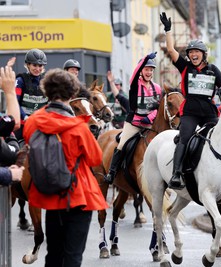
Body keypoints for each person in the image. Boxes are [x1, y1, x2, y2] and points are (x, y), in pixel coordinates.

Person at [23, 68, 108, 267]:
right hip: (78, 196)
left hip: (51, 196)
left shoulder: (34, 122)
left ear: (47, 93)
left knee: (53, 254)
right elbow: (96, 158)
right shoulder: (78, 127)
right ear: (72, 95)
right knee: (73, 256)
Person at [161, 12, 221, 190]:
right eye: (190, 53)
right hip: (190, 112)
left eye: (196, 52)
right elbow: (171, 50)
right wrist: (168, 30)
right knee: (184, 138)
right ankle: (176, 174)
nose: (193, 55)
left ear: (203, 54)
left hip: (209, 112)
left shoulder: (213, 70)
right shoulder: (185, 67)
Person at [104, 53, 162, 184]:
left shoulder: (157, 88)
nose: (149, 72)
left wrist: (150, 117)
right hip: (134, 123)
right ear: (141, 70)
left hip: (149, 123)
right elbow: (136, 72)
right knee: (122, 144)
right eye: (146, 69)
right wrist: (146, 58)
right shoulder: (135, 83)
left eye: (151, 70)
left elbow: (159, 107)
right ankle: (112, 173)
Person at [14, 48, 48, 142]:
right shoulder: (20, 81)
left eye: (40, 65)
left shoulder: (47, 81)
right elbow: (15, 102)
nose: (37, 69)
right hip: (23, 124)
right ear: (28, 65)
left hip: (41, 123)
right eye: (34, 65)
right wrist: (25, 117)